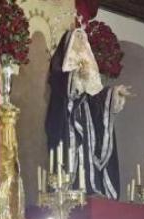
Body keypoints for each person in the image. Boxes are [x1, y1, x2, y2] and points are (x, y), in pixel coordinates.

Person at [45, 26, 132, 199]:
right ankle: (74, 188)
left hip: (88, 132)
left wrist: (113, 94)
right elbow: (64, 95)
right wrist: (75, 78)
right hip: (68, 132)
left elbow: (96, 96)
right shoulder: (61, 81)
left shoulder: (89, 93)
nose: (81, 51)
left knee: (89, 157)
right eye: (77, 46)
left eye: (84, 46)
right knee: (73, 158)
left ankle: (92, 188)